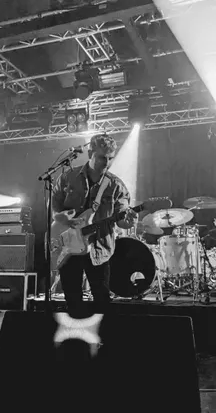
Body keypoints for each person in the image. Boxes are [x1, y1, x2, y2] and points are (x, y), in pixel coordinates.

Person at [52, 133, 137, 315]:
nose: (106, 162)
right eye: (102, 157)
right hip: (69, 247)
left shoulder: (116, 185)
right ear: (90, 153)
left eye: (110, 158)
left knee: (102, 300)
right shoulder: (68, 177)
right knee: (72, 299)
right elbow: (54, 208)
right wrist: (63, 219)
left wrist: (128, 221)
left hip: (99, 248)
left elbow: (122, 220)